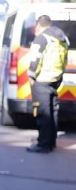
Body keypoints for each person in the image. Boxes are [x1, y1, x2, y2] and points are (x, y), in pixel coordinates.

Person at [26, 15, 70, 153]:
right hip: (55, 79)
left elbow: (35, 58)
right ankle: (51, 141)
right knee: (52, 111)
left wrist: (31, 75)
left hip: (42, 80)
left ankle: (43, 144)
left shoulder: (42, 38)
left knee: (43, 113)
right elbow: (65, 59)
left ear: (39, 25)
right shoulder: (61, 38)